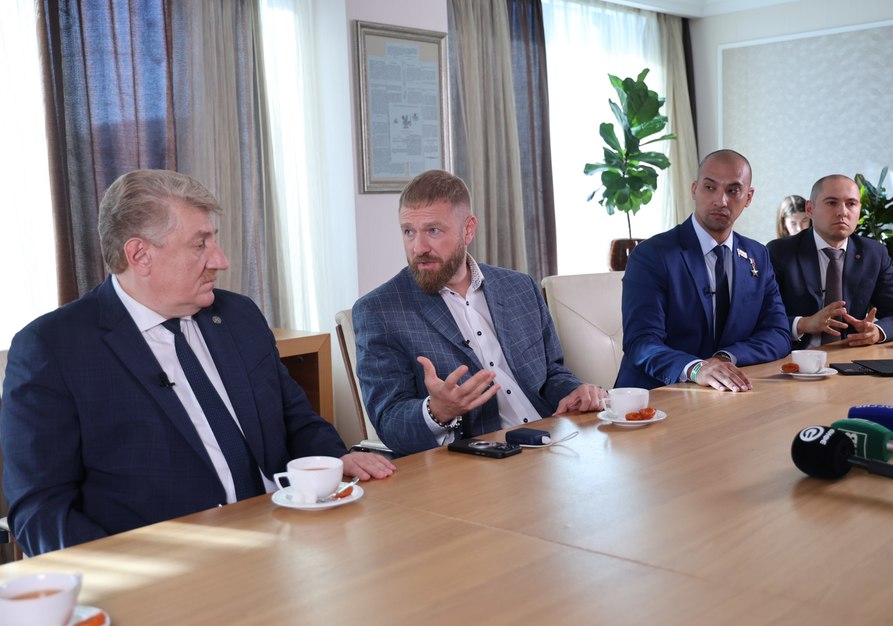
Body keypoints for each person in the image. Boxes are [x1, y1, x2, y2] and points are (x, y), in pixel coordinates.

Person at [0, 169, 395, 557]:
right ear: (140, 255)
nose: (220, 260)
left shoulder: (239, 316)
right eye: (199, 245)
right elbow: (41, 510)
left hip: (288, 538)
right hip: (169, 566)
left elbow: (296, 421)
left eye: (213, 240)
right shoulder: (53, 348)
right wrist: (120, 576)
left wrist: (334, 459)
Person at [353, 169, 604, 456]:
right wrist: (437, 411)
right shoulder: (379, 311)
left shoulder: (520, 287)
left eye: (433, 231)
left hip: (555, 441)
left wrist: (575, 391)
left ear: (468, 229)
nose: (418, 247)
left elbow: (551, 373)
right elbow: (389, 421)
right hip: (479, 459)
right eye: (409, 231)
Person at [615, 149, 791, 392]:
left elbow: (778, 333)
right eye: (710, 187)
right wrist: (696, 368)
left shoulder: (757, 255)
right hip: (655, 395)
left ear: (749, 197)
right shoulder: (651, 255)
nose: (721, 200)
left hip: (726, 393)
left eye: (733, 190)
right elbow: (641, 342)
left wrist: (725, 357)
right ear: (694, 189)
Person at [767, 174, 893, 348]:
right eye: (831, 203)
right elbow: (760, 317)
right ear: (810, 209)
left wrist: (876, 331)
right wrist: (803, 324)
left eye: (851, 204)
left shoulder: (874, 254)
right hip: (795, 357)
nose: (843, 212)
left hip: (851, 354)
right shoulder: (780, 252)